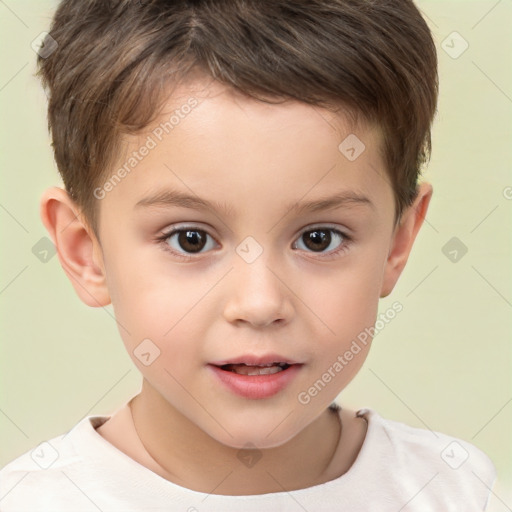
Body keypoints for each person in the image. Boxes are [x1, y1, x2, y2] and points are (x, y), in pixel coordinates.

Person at [0, 0, 496, 510]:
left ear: (397, 243)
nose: (259, 304)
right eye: (190, 239)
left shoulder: (454, 490)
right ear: (86, 253)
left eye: (319, 238)